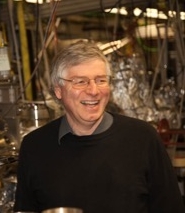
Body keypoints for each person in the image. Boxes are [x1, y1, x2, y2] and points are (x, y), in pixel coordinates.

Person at [14, 41, 185, 213]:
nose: (94, 91)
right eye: (81, 82)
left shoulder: (143, 139)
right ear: (58, 90)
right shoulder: (35, 147)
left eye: (101, 80)